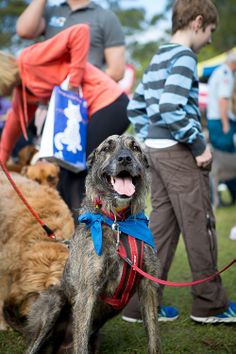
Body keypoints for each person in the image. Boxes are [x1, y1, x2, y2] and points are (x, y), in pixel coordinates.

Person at [123, 0, 236, 323]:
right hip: (178, 152)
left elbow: (137, 107)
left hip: (157, 152)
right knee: (200, 222)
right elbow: (172, 108)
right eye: (211, 31)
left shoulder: (160, 55)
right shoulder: (185, 57)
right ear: (198, 22)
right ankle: (210, 304)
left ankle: (139, 305)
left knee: (161, 226)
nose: (211, 40)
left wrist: (150, 140)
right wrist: (199, 145)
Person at [0, 25, 129, 213]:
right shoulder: (23, 93)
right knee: (65, 173)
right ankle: (74, 227)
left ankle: (83, 231)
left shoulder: (30, 59)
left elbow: (80, 32)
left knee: (77, 170)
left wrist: (73, 82)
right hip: (93, 113)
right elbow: (10, 133)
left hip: (111, 103)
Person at [16, 0, 125, 82]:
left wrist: (78, 87)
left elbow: (116, 72)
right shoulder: (51, 11)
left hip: (85, 95)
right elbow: (24, 32)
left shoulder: (105, 16)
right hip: (49, 93)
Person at [207, 52, 236, 206]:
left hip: (216, 121)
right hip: (220, 122)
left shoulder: (218, 72)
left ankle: (227, 197)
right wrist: (226, 123)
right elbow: (223, 100)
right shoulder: (226, 74)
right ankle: (225, 197)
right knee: (226, 160)